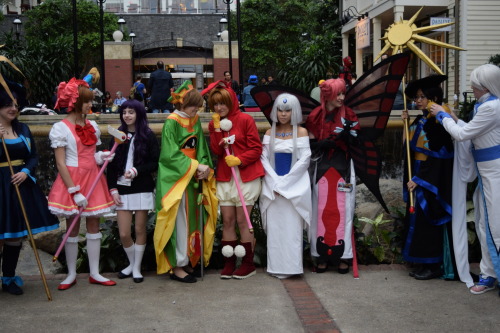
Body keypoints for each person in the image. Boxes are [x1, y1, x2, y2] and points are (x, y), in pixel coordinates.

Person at [430, 64, 500, 294]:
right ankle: (489, 273)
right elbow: (471, 130)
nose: (472, 88)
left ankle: (493, 274)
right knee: (483, 224)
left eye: (475, 86)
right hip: (486, 172)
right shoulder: (487, 105)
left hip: (493, 172)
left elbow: (462, 134)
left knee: (494, 226)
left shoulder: (491, 107)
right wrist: (452, 117)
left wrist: (442, 115)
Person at [47, 78, 116, 290]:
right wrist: (74, 191)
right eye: (86, 101)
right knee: (73, 226)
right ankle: (71, 273)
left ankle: (95, 272)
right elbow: (61, 162)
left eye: (90, 101)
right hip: (73, 181)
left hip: (93, 178)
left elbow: (89, 154)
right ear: (75, 102)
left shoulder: (92, 126)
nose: (90, 105)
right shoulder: (60, 128)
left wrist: (101, 157)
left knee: (94, 224)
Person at [0, 80, 59, 295]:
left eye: (15, 104)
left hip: (19, 187)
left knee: (15, 234)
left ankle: (8, 278)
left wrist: (26, 172)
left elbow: (33, 156)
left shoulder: (22, 128)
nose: (13, 108)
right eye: (8, 105)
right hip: (0, 188)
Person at [154, 82, 217, 283]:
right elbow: (169, 154)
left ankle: (190, 260)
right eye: (193, 106)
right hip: (177, 179)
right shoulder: (171, 122)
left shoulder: (195, 119)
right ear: (183, 104)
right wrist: (194, 165)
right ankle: (177, 265)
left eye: (197, 107)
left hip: (192, 177)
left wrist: (204, 167)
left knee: (192, 219)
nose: (196, 110)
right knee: (179, 221)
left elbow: (201, 147)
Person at [205, 80, 264, 279]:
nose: (219, 107)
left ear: (231, 101)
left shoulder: (246, 119)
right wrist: (216, 129)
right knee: (228, 221)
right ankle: (229, 263)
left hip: (245, 176)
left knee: (242, 220)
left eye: (222, 103)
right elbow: (215, 150)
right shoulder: (215, 123)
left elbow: (256, 148)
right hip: (225, 176)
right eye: (215, 104)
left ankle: (248, 264)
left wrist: (240, 159)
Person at [401, 75, 455, 281]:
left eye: (422, 97)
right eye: (416, 98)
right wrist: (406, 125)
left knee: (428, 219)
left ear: (434, 97)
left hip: (430, 178)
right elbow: (409, 147)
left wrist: (420, 178)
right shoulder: (422, 118)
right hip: (417, 171)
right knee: (417, 219)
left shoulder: (441, 120)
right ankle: (421, 260)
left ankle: (433, 264)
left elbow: (441, 156)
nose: (418, 101)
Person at [305, 79, 360, 274]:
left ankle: (344, 256)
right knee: (319, 210)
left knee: (343, 210)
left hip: (343, 167)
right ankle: (321, 256)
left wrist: (349, 138)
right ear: (327, 95)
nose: (342, 98)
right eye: (338, 94)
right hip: (321, 168)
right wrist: (320, 144)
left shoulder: (349, 114)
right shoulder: (315, 116)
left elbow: (358, 140)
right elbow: (308, 143)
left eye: (343, 93)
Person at [107, 100, 159, 283]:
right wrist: (112, 189)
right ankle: (132, 263)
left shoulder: (148, 136)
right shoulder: (117, 135)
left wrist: (137, 171)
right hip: (121, 189)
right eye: (124, 112)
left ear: (139, 114)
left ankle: (136, 268)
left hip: (142, 186)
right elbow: (110, 165)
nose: (127, 115)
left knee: (139, 229)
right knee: (124, 233)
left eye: (131, 112)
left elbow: (155, 162)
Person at [260, 93, 311, 278]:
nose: (283, 114)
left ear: (294, 111)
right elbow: (264, 160)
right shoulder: (268, 133)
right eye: (280, 110)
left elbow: (304, 160)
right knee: (275, 230)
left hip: (294, 189)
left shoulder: (302, 132)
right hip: (273, 190)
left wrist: (285, 184)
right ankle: (275, 267)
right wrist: (276, 183)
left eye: (287, 110)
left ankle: (292, 267)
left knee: (292, 231)